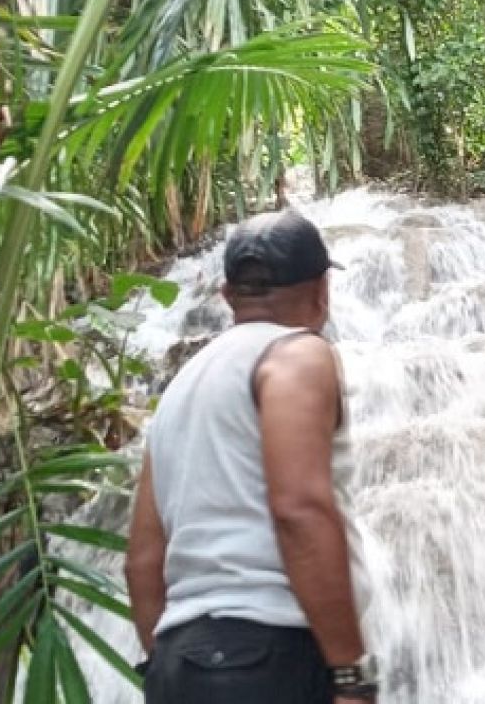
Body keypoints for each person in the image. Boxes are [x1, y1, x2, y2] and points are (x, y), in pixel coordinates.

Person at [125, 210, 378, 704]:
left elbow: (141, 561)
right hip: (270, 650)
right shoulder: (298, 354)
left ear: (228, 295)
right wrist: (349, 674)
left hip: (178, 663)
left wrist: (170, 668)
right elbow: (299, 509)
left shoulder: (183, 384)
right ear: (322, 289)